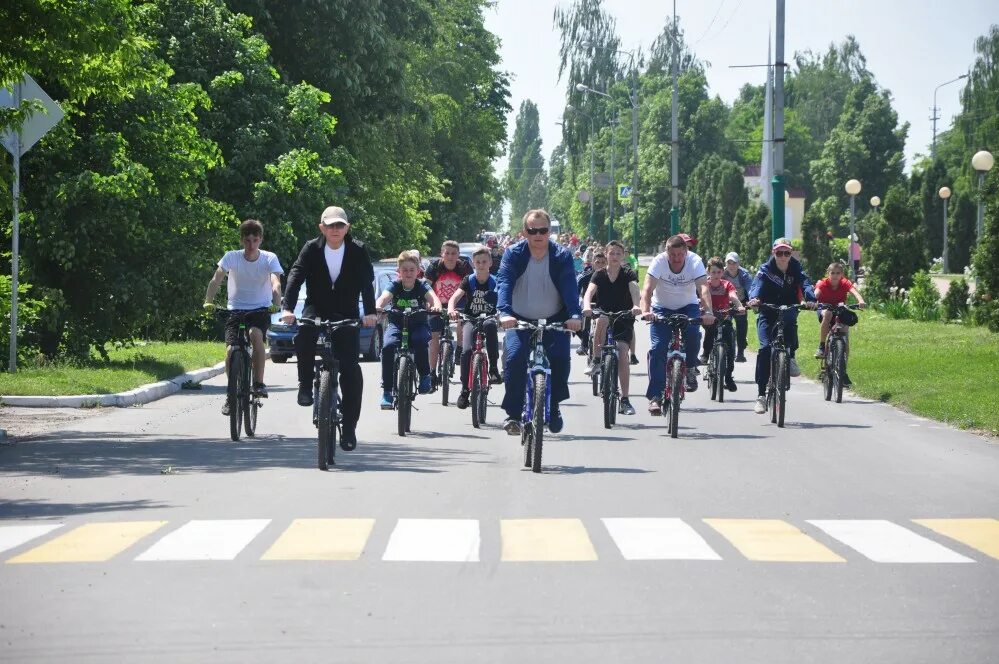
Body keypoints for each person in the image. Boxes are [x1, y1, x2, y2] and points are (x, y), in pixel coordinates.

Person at [280, 206, 377, 448]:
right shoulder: (311, 249)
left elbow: (366, 283)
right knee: (304, 333)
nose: (335, 229)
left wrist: (371, 313)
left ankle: (350, 429)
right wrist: (288, 309)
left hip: (346, 312)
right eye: (330, 225)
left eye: (340, 225)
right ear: (321, 227)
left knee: (351, 370)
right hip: (317, 307)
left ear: (347, 228)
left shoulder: (358, 250)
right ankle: (304, 385)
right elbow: (295, 276)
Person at [497, 208, 582, 435]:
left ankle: (553, 407)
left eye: (543, 230)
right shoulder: (513, 254)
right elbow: (504, 282)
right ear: (524, 232)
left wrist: (574, 315)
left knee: (561, 359)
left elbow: (569, 286)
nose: (538, 235)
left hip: (555, 318)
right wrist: (504, 313)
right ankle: (513, 415)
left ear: (549, 232)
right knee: (514, 359)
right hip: (519, 319)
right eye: (532, 230)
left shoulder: (561, 255)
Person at [203, 219, 283, 414]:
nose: (251, 245)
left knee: (256, 336)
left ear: (261, 240)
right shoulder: (231, 257)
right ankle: (231, 395)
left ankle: (258, 383)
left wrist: (276, 303)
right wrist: (208, 300)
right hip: (236, 309)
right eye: (247, 240)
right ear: (241, 240)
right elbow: (216, 279)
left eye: (255, 240)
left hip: (260, 309)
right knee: (231, 349)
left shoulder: (269, 258)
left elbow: (276, 283)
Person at [641, 235, 715, 415]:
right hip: (661, 307)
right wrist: (646, 311)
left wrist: (708, 312)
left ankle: (690, 367)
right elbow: (648, 288)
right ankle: (655, 397)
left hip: (687, 306)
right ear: (666, 252)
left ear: (686, 252)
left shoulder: (694, 261)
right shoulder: (658, 262)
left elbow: (703, 288)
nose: (676, 258)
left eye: (680, 254)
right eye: (672, 254)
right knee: (658, 348)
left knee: (693, 332)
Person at [746, 238, 817, 415]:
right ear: (773, 253)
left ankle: (791, 356)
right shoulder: (765, 269)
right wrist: (754, 299)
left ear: (791, 253)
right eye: (779, 253)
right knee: (764, 350)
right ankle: (761, 396)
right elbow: (757, 285)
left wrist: (811, 299)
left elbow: (806, 283)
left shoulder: (796, 268)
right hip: (767, 310)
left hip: (789, 307)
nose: (783, 256)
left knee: (791, 325)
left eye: (787, 253)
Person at [581, 240, 642, 415]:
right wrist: (587, 306)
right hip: (604, 313)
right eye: (611, 253)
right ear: (606, 255)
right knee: (601, 320)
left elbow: (634, 289)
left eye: (618, 253)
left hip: (624, 316)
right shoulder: (599, 274)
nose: (614, 256)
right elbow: (589, 292)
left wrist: (636, 306)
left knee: (622, 354)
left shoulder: (628, 273)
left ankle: (625, 399)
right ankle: (596, 360)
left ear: (623, 256)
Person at [375, 251, 442, 408]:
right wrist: (379, 306)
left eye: (412, 270)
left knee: (419, 341)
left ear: (418, 271)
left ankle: (425, 375)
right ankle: (387, 391)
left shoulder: (422, 285)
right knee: (388, 346)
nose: (408, 273)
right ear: (399, 271)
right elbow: (384, 297)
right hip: (396, 324)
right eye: (404, 270)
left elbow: (433, 298)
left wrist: (436, 306)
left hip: (418, 324)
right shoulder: (395, 285)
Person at [449, 247, 502, 409]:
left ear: (490, 263)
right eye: (477, 262)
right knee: (466, 351)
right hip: (470, 318)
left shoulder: (495, 281)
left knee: (491, 326)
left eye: (484, 261)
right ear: (473, 263)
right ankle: (465, 389)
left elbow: (503, 297)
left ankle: (493, 368)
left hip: (489, 317)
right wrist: (451, 309)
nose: (481, 265)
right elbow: (455, 297)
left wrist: (502, 313)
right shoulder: (468, 280)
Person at [425, 240, 472, 387]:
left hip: (460, 302)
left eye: (453, 253)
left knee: (461, 324)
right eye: (447, 253)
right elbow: (425, 288)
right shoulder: (434, 267)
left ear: (458, 255)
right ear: (442, 254)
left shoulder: (464, 267)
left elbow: (471, 287)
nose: (450, 256)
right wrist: (428, 303)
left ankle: (459, 349)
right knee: (434, 336)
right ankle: (432, 371)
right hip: (437, 302)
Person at [814, 261, 866, 386]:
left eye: (838, 273)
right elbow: (816, 293)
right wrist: (813, 301)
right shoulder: (822, 283)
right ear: (828, 273)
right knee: (828, 314)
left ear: (842, 274)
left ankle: (842, 370)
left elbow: (854, 291)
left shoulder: (844, 283)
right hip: (824, 309)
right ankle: (822, 346)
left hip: (839, 309)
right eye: (832, 273)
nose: (835, 276)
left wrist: (861, 301)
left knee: (845, 338)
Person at [699, 257, 746, 392]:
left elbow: (733, 296)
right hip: (709, 316)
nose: (716, 275)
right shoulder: (704, 285)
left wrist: (739, 306)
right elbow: (698, 296)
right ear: (708, 272)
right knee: (710, 330)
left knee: (730, 344)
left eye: (719, 272)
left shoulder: (727, 284)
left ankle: (728, 376)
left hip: (725, 316)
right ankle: (706, 353)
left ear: (722, 272)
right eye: (713, 272)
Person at [574, 250, 607, 356]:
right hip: (589, 304)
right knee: (583, 318)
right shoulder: (585, 275)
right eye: (598, 262)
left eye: (603, 262)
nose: (600, 265)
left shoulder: (610, 275)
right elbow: (575, 289)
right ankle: (584, 344)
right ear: (592, 262)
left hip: (604, 304)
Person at [723, 252, 753, 362]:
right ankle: (722, 348)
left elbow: (750, 288)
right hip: (725, 303)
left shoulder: (744, 274)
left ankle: (740, 352)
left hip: (741, 303)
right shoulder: (722, 273)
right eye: (728, 263)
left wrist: (752, 300)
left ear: (738, 263)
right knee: (723, 325)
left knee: (741, 326)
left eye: (734, 263)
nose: (731, 265)